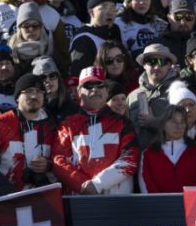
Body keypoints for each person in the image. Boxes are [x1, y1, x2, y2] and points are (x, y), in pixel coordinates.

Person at [52, 66, 139, 195]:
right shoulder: (67, 125)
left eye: (100, 85)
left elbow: (130, 159)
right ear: (78, 91)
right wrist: (82, 184)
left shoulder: (123, 123)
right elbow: (59, 160)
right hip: (80, 200)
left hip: (118, 201)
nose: (95, 90)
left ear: (106, 90)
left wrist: (98, 184)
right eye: (89, 86)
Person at [0, 73, 56, 190]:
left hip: (43, 196)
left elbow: (62, 159)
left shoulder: (53, 125)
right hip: (6, 197)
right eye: (29, 91)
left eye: (39, 91)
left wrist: (49, 165)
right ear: (17, 97)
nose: (34, 96)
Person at [138, 104, 196, 193]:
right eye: (173, 121)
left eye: (182, 122)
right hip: (157, 206)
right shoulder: (148, 154)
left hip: (189, 206)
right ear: (163, 125)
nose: (179, 126)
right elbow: (146, 188)